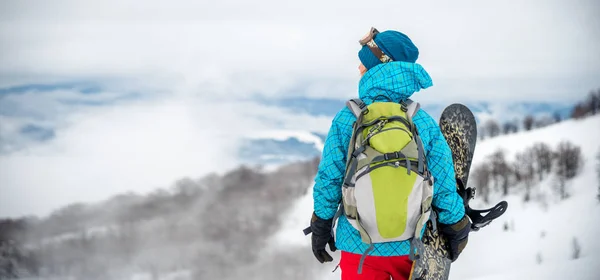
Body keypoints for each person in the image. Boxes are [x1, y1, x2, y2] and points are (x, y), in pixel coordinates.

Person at [308, 27, 472, 280]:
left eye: (363, 64)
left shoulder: (348, 118)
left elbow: (329, 179)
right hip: (411, 247)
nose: (359, 69)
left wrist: (321, 224)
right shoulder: (421, 120)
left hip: (358, 246)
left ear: (378, 67)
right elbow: (443, 181)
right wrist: (456, 224)